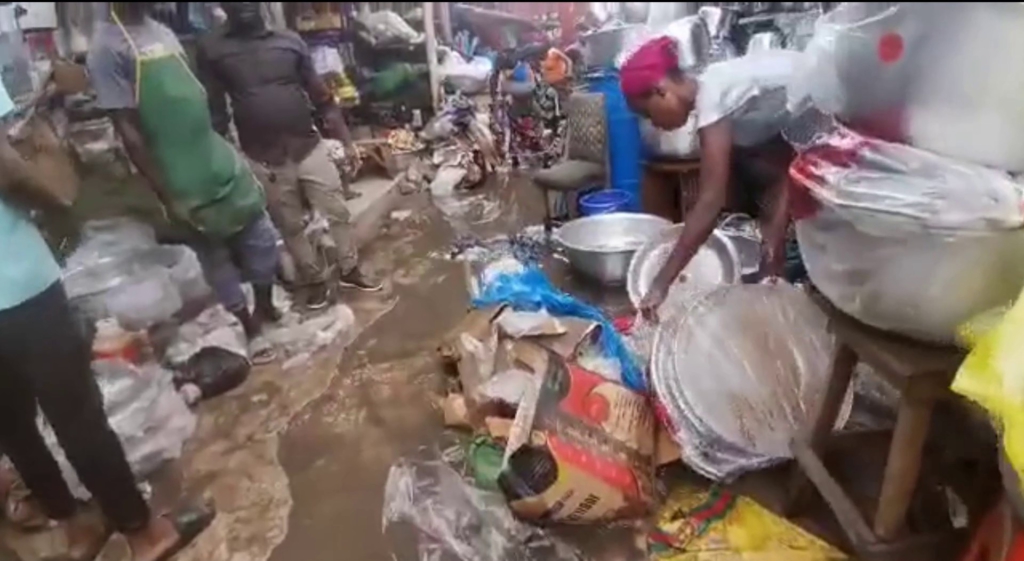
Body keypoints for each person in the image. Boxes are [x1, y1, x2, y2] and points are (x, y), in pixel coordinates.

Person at [0, 75, 212, 561]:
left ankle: (77, 526)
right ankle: (144, 534)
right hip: (16, 284)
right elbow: (7, 170)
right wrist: (58, 202)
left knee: (13, 426)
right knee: (77, 415)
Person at [87, 2, 281, 362]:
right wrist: (167, 193)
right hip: (180, 170)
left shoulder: (161, 30)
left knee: (262, 235)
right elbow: (129, 132)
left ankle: (265, 306)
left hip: (213, 153)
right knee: (215, 254)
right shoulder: (106, 48)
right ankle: (249, 327)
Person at [195, 1, 381, 310]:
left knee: (337, 209)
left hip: (307, 145)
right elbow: (215, 112)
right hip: (263, 155)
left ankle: (349, 269)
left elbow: (321, 96)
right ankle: (316, 281)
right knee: (290, 224)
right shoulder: (213, 49)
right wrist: (227, 159)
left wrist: (347, 141)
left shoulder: (289, 41)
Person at [620, 37, 802, 320]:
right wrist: (772, 243)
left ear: (661, 91)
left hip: (838, 112)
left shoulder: (713, 97)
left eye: (647, 113)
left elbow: (710, 203)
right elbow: (785, 164)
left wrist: (660, 284)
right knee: (774, 262)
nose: (653, 123)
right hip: (809, 124)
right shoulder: (721, 89)